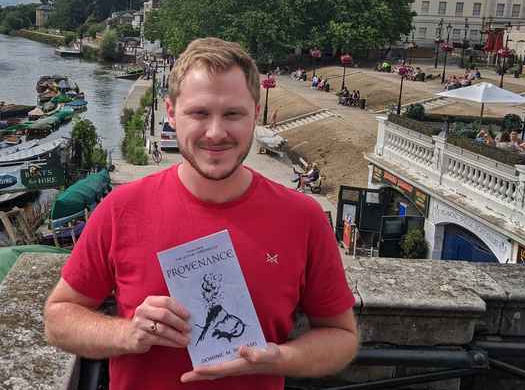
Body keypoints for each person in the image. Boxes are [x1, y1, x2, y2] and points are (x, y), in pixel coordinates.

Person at [44, 38, 358, 390]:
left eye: (233, 114)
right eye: (199, 113)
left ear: (256, 113)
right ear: (172, 113)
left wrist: (280, 358)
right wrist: (127, 332)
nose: (216, 132)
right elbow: (58, 319)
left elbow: (342, 337)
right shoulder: (121, 209)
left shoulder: (304, 217)